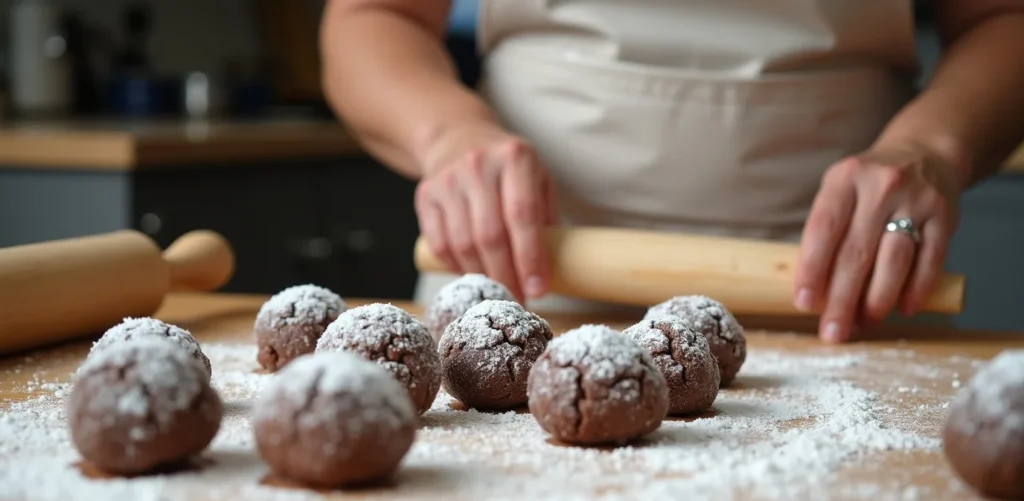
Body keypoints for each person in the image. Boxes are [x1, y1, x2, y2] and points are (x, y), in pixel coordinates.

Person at [319, 0, 1024, 343]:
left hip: (842, 275)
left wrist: (929, 147)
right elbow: (372, 15)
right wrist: (448, 134)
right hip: (519, 275)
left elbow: (1004, 18)